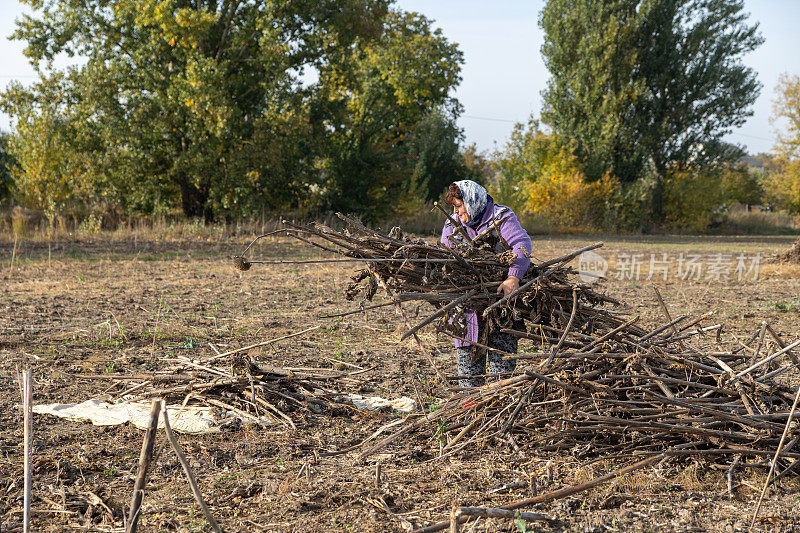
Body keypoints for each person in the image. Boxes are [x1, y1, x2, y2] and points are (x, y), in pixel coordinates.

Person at [440, 180, 532, 388]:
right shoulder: (451, 224)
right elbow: (444, 258)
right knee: (469, 376)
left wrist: (513, 277)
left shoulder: (500, 217)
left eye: (458, 205)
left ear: (472, 201)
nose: (456, 212)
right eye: (453, 207)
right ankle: (471, 413)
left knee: (501, 376)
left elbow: (521, 244)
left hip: (500, 303)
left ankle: (496, 413)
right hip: (466, 310)